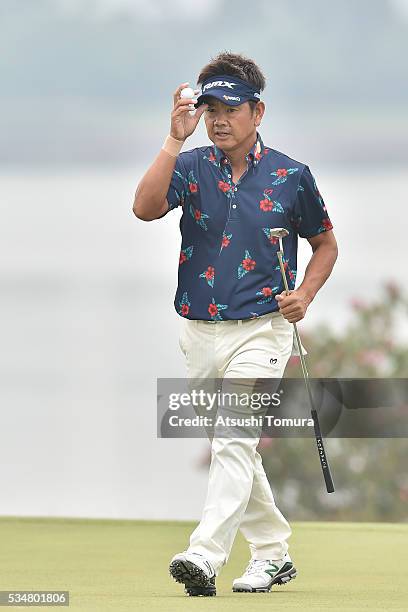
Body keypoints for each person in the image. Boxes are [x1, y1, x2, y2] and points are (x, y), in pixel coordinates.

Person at [133, 51, 338, 596]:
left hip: (263, 329)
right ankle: (273, 554)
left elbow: (325, 244)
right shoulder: (191, 165)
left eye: (230, 107)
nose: (219, 118)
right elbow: (144, 208)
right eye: (209, 109)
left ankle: (204, 555)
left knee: (232, 438)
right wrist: (173, 140)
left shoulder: (291, 176)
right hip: (197, 331)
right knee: (235, 447)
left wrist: (306, 293)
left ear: (258, 111)